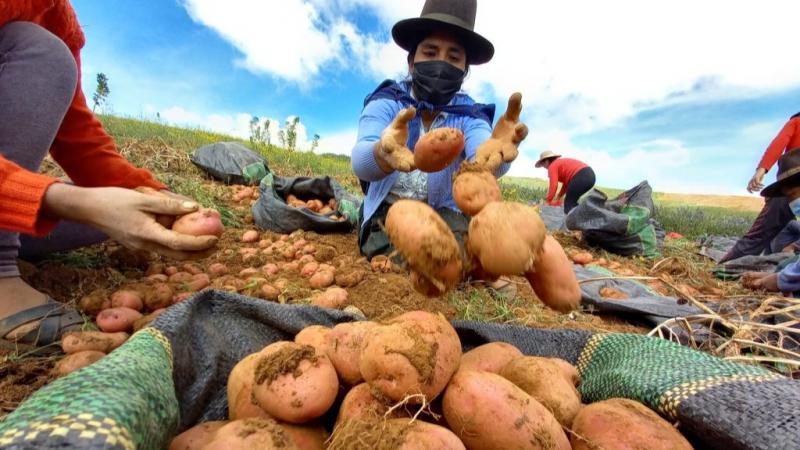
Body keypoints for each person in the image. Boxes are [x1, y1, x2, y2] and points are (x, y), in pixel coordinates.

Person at [0, 1, 218, 350]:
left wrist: (149, 192)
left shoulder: (59, 17)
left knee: (106, 219)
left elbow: (77, 134)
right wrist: (72, 200)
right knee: (42, 51)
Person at [351, 0, 526, 297]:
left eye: (453, 57)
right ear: (411, 61)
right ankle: (462, 268)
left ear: (464, 70)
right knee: (414, 253)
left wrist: (496, 154)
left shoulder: (469, 114)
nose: (441, 63)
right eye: (430, 52)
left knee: (453, 252)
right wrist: (383, 151)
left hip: (447, 213)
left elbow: (482, 156)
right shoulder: (388, 102)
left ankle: (465, 265)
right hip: (391, 213)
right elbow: (360, 161)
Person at [721, 112, 800, 263]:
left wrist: (761, 170)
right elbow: (780, 142)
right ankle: (724, 270)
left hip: (789, 186)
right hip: (790, 184)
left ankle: (724, 269)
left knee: (758, 237)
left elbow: (780, 141)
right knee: (764, 236)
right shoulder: (797, 121)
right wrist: (762, 169)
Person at [741, 151, 800, 295]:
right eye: (789, 198)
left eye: (793, 194)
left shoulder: (790, 224)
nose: (793, 202)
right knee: (785, 265)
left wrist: (780, 280)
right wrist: (773, 275)